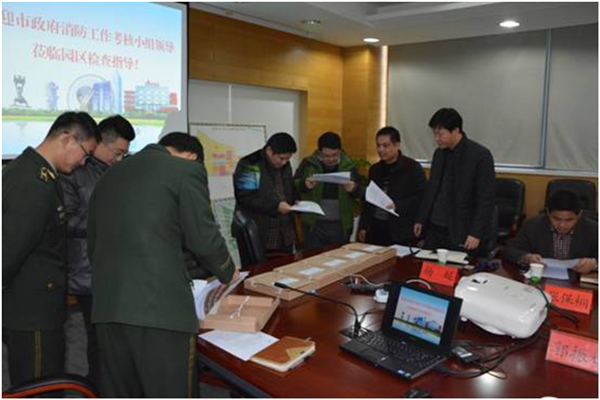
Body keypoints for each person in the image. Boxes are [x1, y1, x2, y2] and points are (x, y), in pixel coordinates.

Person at [87, 133, 236, 397]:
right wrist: (228, 270)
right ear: (192, 157)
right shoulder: (185, 171)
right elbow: (203, 238)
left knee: (123, 391)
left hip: (108, 308)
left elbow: (93, 243)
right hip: (160, 312)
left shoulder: (109, 175)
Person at [3, 111, 100, 387]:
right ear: (68, 139)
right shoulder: (32, 182)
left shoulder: (41, 174)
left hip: (38, 306)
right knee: (39, 386)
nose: (83, 162)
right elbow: (9, 251)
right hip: (31, 311)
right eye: (85, 153)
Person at [59, 114, 135, 386]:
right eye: (117, 152)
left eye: (124, 154)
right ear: (100, 142)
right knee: (97, 340)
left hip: (115, 267)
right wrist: (107, 221)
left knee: (114, 338)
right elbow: (65, 222)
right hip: (87, 270)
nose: (119, 158)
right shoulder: (74, 171)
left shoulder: (117, 171)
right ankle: (97, 388)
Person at [414, 108, 496, 256]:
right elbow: (432, 189)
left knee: (456, 268)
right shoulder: (439, 153)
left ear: (456, 130)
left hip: (462, 230)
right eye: (434, 134)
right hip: (434, 227)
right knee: (427, 265)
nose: (436, 138)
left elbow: (486, 199)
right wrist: (421, 219)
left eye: (440, 134)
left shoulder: (480, 155)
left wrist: (476, 233)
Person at [294, 132, 365, 249]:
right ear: (319, 152)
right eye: (326, 156)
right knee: (313, 257)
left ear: (340, 151)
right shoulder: (308, 164)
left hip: (341, 225)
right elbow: (294, 184)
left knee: (338, 257)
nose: (331, 159)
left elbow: (362, 192)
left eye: (335, 155)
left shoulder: (349, 166)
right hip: (314, 225)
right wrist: (304, 185)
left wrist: (354, 188)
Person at [358, 127, 426, 246]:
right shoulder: (375, 169)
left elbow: (421, 197)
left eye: (385, 145)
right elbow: (368, 200)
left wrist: (397, 205)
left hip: (400, 229)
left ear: (397, 145)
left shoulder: (412, 167)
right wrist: (363, 226)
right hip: (376, 228)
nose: (381, 149)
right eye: (378, 145)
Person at [503, 190, 598, 273]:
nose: (562, 225)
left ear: (579, 215)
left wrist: (595, 264)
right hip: (541, 278)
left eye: (569, 220)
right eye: (556, 219)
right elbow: (509, 250)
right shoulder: (532, 225)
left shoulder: (593, 229)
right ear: (548, 213)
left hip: (578, 280)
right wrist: (526, 257)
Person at [233, 132, 297, 254]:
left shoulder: (285, 166)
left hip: (284, 233)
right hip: (258, 232)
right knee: (260, 266)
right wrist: (276, 207)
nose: (284, 162)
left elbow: (288, 190)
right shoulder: (251, 164)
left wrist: (296, 201)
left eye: (288, 159)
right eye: (281, 158)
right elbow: (246, 198)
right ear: (269, 151)